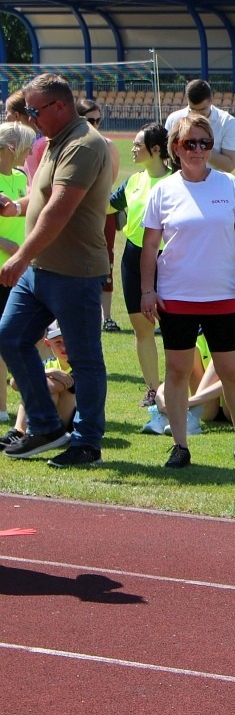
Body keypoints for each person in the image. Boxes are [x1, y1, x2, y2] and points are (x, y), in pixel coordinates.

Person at [139, 113, 235, 470]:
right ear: (175, 148)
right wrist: (147, 291)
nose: (198, 150)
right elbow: (150, 247)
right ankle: (180, 446)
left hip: (222, 297)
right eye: (189, 143)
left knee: (232, 372)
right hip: (176, 297)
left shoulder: (228, 185)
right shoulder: (163, 190)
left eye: (205, 143)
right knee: (177, 372)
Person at [0, 73, 111, 468]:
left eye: (34, 110)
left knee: (83, 358)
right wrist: (18, 205)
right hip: (43, 269)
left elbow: (60, 209)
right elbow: (46, 193)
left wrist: (20, 256)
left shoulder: (83, 145)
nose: (30, 118)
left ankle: (86, 442)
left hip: (74, 272)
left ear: (59, 107)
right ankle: (46, 426)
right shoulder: (56, 141)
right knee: (10, 337)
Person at [109, 123, 173, 408]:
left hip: (168, 260)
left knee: (174, 329)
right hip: (133, 259)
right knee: (141, 329)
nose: (132, 149)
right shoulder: (134, 181)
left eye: (137, 145)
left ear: (156, 150)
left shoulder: (176, 182)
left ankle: (178, 387)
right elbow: (106, 206)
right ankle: (152, 388)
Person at [142, 326, 235, 437]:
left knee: (222, 359)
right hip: (209, 410)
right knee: (189, 355)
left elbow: (233, 378)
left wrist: (188, 402)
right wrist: (160, 393)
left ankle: (190, 415)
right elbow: (178, 374)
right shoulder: (196, 335)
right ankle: (166, 417)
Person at [77, 99, 122, 333]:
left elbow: (110, 181)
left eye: (98, 120)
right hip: (74, 214)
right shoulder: (70, 144)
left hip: (101, 213)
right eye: (89, 120)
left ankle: (107, 317)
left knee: (106, 262)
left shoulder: (108, 145)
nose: (94, 124)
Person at [0, 121, 35, 423]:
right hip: (3, 264)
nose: (30, 152)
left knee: (14, 335)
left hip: (17, 268)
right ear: (12, 147)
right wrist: (6, 243)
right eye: (26, 147)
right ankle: (1, 408)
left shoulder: (21, 176)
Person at [2, 322, 75, 451]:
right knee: (35, 385)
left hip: (70, 422)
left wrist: (36, 377)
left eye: (68, 341)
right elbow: (14, 383)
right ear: (48, 344)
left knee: (38, 386)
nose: (64, 347)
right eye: (58, 342)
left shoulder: (81, 365)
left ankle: (35, 432)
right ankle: (19, 431)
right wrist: (48, 372)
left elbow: (53, 387)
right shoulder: (48, 365)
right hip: (53, 415)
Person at [165, 79, 235, 173]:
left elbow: (229, 166)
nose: (197, 114)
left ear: (211, 101)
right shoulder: (174, 119)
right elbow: (167, 159)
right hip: (182, 183)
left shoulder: (227, 122)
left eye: (202, 110)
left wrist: (202, 148)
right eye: (193, 109)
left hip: (214, 184)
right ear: (187, 101)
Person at [5, 91, 47, 180]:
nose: (6, 118)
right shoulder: (44, 140)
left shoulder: (34, 145)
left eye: (6, 113)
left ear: (16, 115)